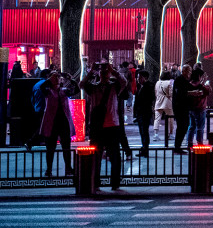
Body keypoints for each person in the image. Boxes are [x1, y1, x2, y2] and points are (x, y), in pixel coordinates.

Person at [81, 63, 126, 192]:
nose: (104, 74)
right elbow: (82, 85)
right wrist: (90, 73)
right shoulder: (93, 88)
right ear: (99, 74)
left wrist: (114, 71)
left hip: (112, 124)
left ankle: (115, 183)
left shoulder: (114, 87)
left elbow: (124, 82)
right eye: (102, 72)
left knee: (115, 156)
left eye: (106, 72)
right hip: (97, 126)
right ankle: (95, 182)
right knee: (96, 156)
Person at [39, 71, 74, 177]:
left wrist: (70, 78)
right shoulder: (48, 91)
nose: (57, 78)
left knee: (66, 147)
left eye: (58, 77)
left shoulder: (64, 91)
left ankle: (68, 168)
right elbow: (42, 87)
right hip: (52, 123)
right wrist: (50, 79)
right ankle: (48, 169)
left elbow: (75, 89)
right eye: (55, 77)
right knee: (50, 148)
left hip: (63, 122)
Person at [185, 69, 212, 147]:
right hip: (200, 108)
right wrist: (207, 83)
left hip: (191, 108)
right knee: (200, 127)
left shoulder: (189, 85)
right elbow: (208, 92)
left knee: (191, 126)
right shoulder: (201, 86)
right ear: (199, 76)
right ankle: (199, 142)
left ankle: (189, 142)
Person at [172, 65, 193, 154]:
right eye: (188, 71)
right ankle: (177, 147)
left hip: (183, 107)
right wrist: (190, 93)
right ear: (184, 71)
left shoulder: (184, 81)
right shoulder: (179, 80)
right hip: (180, 107)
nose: (190, 73)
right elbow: (180, 93)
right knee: (182, 126)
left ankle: (178, 146)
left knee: (184, 126)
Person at [134, 70, 155, 158]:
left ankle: (145, 149)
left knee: (144, 131)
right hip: (140, 113)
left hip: (145, 112)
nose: (138, 79)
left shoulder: (148, 86)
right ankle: (143, 148)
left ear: (144, 78)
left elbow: (149, 99)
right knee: (142, 132)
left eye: (139, 77)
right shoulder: (140, 86)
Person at [154, 71, 173, 143]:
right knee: (170, 119)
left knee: (157, 119)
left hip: (158, 102)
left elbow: (156, 93)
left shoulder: (157, 83)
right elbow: (171, 93)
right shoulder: (169, 83)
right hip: (167, 102)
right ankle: (170, 134)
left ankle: (156, 134)